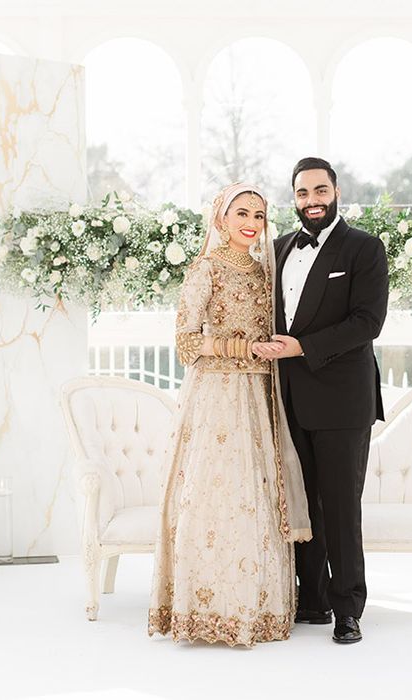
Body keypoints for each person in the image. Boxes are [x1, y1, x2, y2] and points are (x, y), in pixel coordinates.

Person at [148, 182, 311, 648]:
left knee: (255, 496)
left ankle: (256, 607)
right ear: (220, 218)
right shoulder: (205, 270)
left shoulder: (266, 273)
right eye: (241, 213)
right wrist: (244, 348)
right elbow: (184, 344)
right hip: (216, 396)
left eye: (259, 216)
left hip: (259, 396)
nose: (251, 224)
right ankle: (204, 610)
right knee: (212, 495)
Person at [255, 157, 389, 644]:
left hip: (341, 401)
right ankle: (310, 601)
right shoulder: (277, 249)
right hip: (287, 398)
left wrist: (302, 346)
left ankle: (348, 607)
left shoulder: (364, 248)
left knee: (339, 507)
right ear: (294, 198)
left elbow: (367, 322)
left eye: (320, 191)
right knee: (300, 503)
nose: (312, 201)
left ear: (336, 191)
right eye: (302, 193)